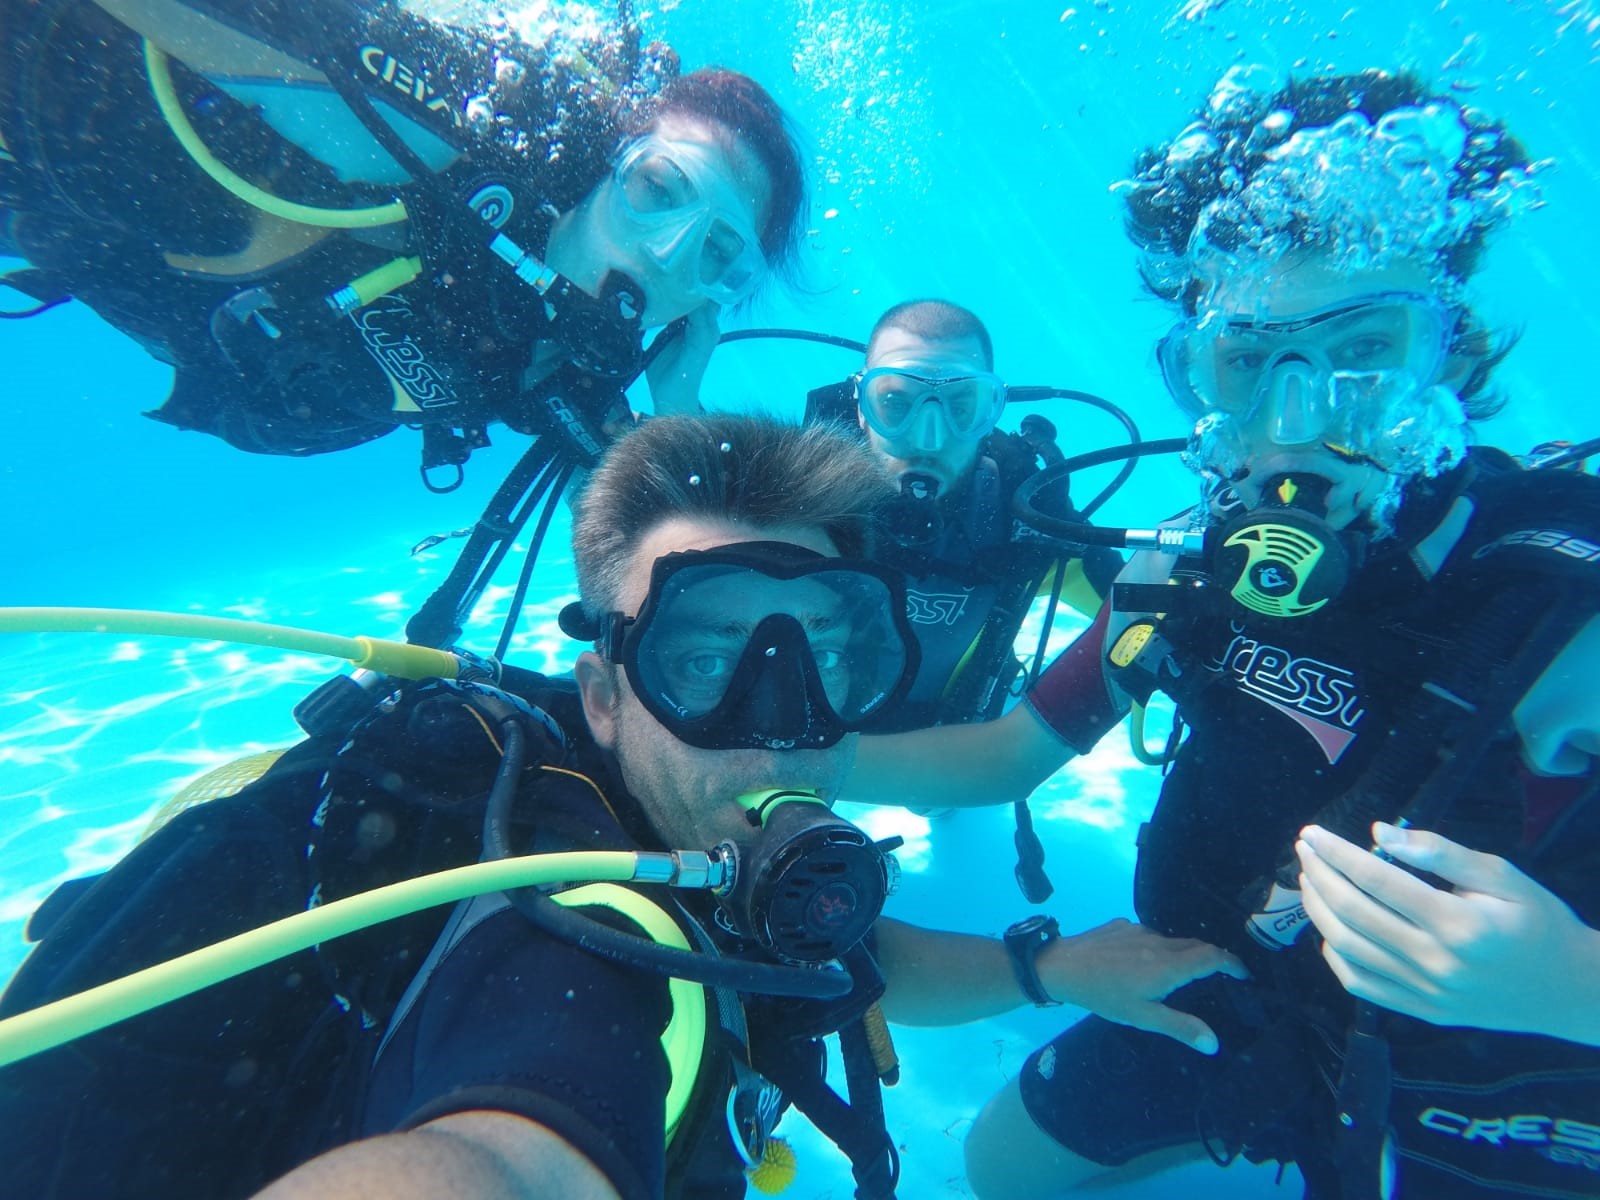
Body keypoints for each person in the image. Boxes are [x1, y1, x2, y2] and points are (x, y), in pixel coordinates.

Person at [0, 413, 1243, 1200]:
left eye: (823, 653)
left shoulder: (687, 804)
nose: (779, 710)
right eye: (706, 658)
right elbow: (501, 1157)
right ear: (602, 693)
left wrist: (1052, 971)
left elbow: (844, 953)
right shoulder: (599, 923)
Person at [841, 71, 1600, 1199]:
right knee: (997, 1168)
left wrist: (1569, 985)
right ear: (1195, 373)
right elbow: (1010, 754)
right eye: (1245, 362)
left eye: (1362, 354)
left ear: (1448, 352)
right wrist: (786, 760)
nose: (1295, 423)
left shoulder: (1559, 609)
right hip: (1240, 1000)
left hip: (1510, 1068)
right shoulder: (1182, 569)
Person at [0, 0, 804, 485]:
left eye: (719, 257)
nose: (667, 256)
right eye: (659, 189)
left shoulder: (570, 371)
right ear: (605, 162)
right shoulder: (437, 135)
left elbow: (657, 576)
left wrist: (677, 411)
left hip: (79, 250)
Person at [813, 300, 1124, 734]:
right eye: (896, 403)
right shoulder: (798, 497)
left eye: (961, 408)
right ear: (862, 407)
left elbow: (1142, 618)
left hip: (950, 754)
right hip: (799, 736)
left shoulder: (1026, 527)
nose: (929, 439)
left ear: (990, 415)